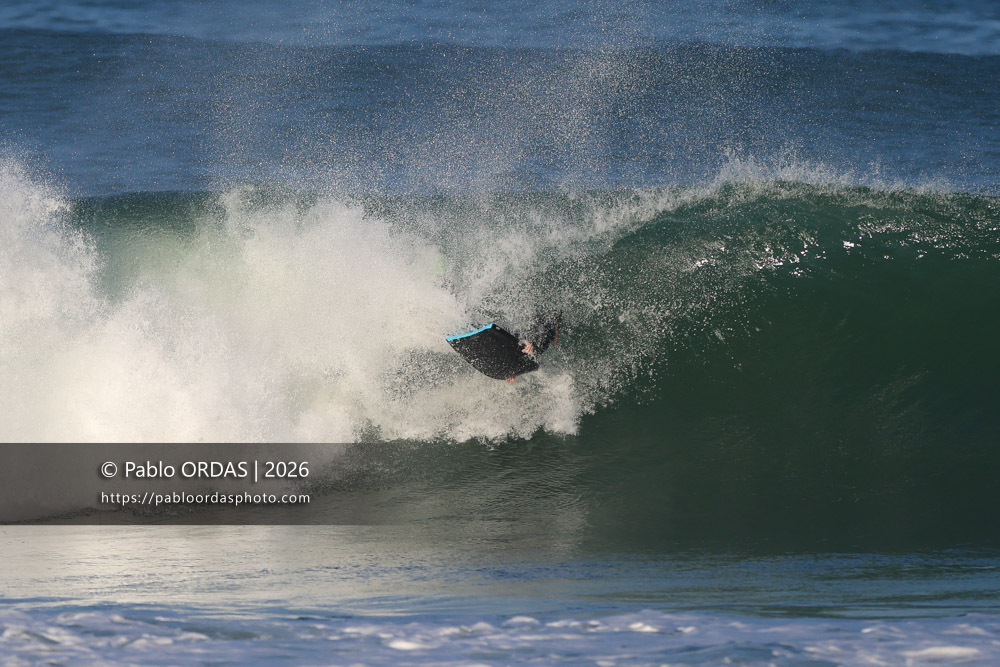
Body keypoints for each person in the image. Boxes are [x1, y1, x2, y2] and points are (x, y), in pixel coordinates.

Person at [505, 311, 562, 382]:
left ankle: (527, 346)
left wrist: (515, 372)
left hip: (529, 343)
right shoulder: (548, 333)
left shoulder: (548, 334)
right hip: (529, 340)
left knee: (531, 353)